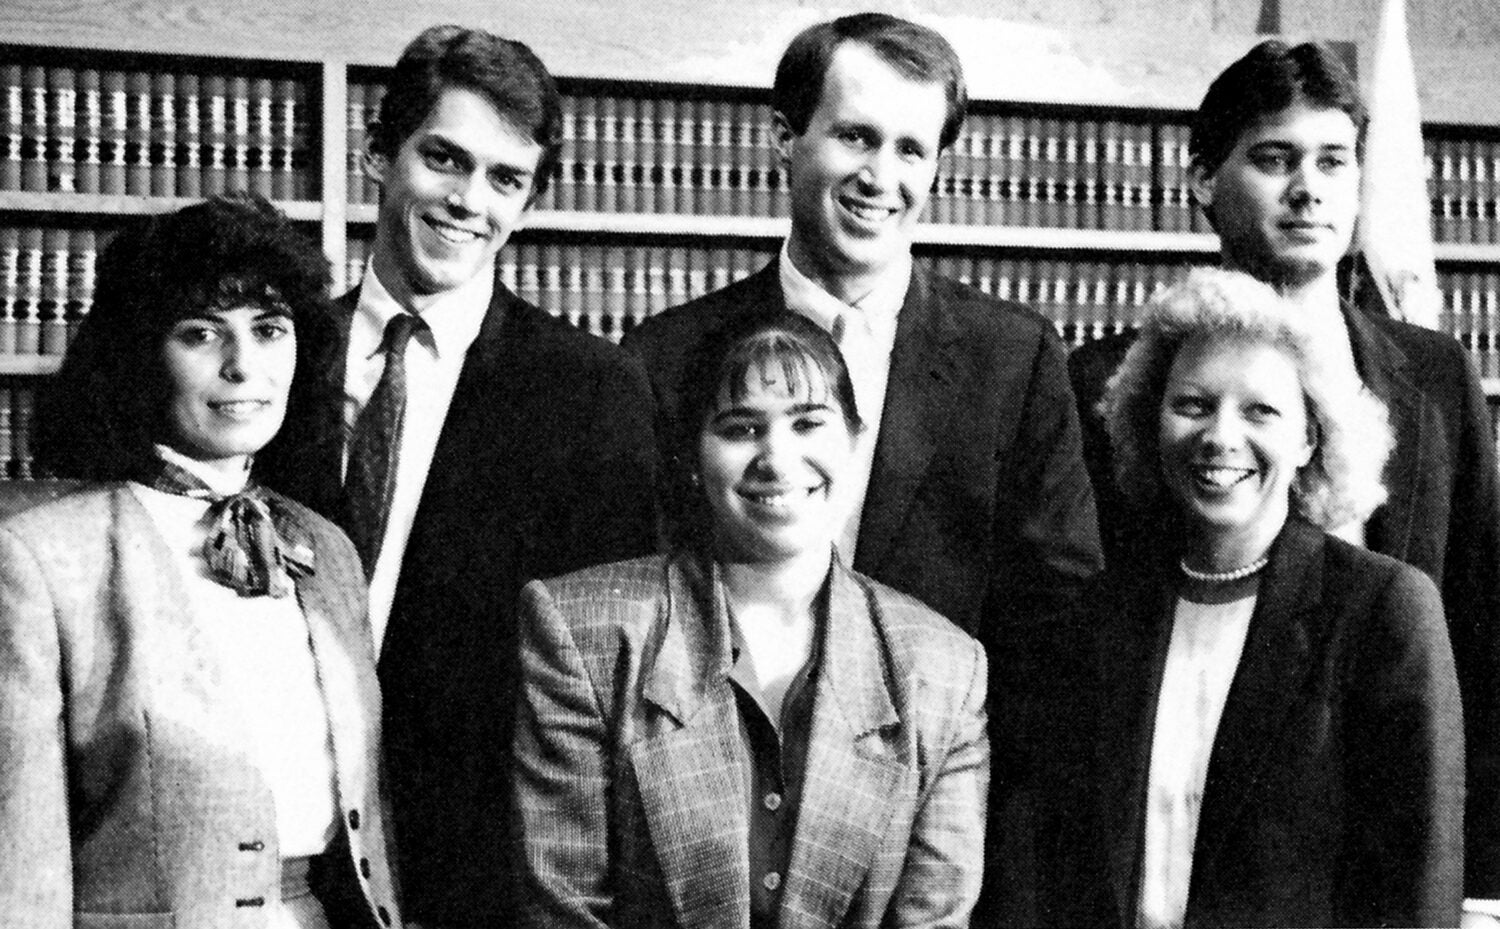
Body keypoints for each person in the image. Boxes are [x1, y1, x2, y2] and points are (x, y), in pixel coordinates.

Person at [622, 15, 1101, 916]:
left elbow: (1056, 641)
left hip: (932, 852)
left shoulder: (1014, 359)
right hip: (705, 854)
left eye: (912, 149)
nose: (882, 177)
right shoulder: (666, 357)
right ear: (784, 140)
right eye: (854, 136)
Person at [1067, 39, 1500, 908]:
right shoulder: (1105, 385)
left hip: (1389, 840)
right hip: (1188, 829)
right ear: (1202, 181)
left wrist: (1485, 886)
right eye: (1274, 159)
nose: (1309, 188)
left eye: (1334, 161)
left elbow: (1487, 638)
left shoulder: (1437, 376)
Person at [259, 25, 659, 928]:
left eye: (504, 179)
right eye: (444, 158)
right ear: (376, 153)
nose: (467, 200)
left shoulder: (591, 392)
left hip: (482, 864)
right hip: (275, 847)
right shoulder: (272, 362)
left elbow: (611, 674)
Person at [2, 194, 402, 929]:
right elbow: (19, 877)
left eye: (269, 330)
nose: (243, 365)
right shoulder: (41, 560)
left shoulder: (328, 551)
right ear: (142, 355)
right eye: (201, 334)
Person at [513, 311, 988, 929]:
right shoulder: (582, 632)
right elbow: (563, 911)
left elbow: (935, 918)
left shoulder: (945, 668)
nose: (777, 458)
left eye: (808, 423)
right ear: (691, 456)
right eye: (741, 428)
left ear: (854, 440)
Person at [1068, 268, 1463, 928]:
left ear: (1310, 436)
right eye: (1193, 404)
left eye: (1261, 410)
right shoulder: (1101, 614)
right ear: (1148, 419)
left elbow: (1415, 887)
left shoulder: (1383, 610)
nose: (1220, 436)